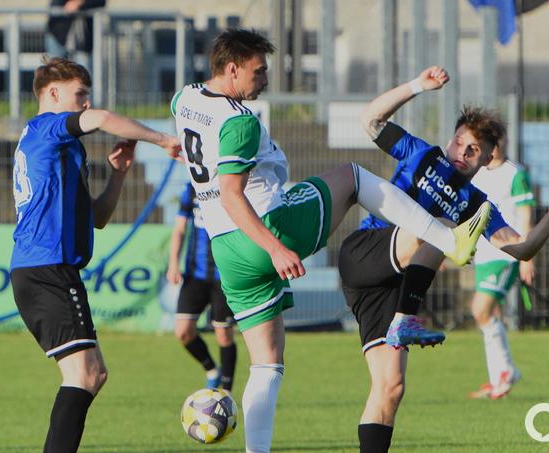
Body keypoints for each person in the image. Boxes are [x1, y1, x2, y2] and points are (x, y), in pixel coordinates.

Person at [170, 29, 493, 453]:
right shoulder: (240, 122)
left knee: (266, 364)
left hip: (226, 252)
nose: (264, 79)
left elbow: (197, 154)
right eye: (258, 70)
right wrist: (275, 246)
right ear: (232, 69)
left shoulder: (184, 99)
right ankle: (447, 238)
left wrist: (160, 140)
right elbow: (233, 194)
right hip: (266, 227)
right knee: (353, 177)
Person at [340, 65, 549, 453]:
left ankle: (403, 321)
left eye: (474, 151)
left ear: (487, 159)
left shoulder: (478, 204)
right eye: (459, 144)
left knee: (391, 387)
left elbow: (522, 248)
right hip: (366, 252)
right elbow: (370, 119)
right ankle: (406, 320)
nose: (462, 154)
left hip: (392, 288)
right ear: (450, 140)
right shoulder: (420, 155)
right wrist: (417, 86)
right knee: (442, 225)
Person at [9, 56, 180, 453]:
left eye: (87, 96)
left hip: (48, 269)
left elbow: (98, 218)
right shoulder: (48, 128)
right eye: (79, 94)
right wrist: (162, 140)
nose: (86, 103)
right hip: (46, 268)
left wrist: (118, 173)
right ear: (52, 93)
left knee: (93, 374)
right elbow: (102, 118)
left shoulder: (63, 151)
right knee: (84, 374)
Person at [466, 134, 536, 400]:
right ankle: (499, 377)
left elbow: (526, 214)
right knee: (489, 314)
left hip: (506, 254)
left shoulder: (515, 174)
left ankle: (506, 371)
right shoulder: (478, 174)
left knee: (479, 309)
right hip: (483, 254)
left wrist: (527, 255)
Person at [166, 182, 237, 392]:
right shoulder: (191, 188)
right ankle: (212, 370)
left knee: (223, 334)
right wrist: (173, 263)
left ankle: (226, 391)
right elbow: (180, 228)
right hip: (194, 274)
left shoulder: (230, 183)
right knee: (183, 331)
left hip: (223, 276)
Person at [45, 0, 106, 72]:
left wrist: (79, 2)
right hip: (57, 33)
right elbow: (57, 4)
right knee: (55, 74)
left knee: (83, 75)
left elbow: (101, 2)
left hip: (83, 38)